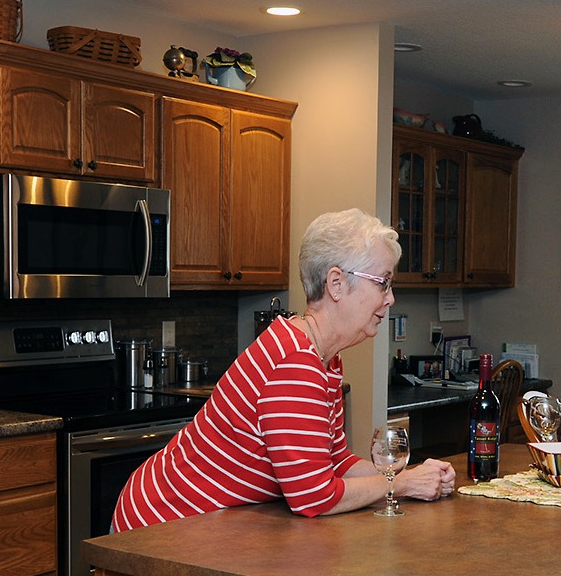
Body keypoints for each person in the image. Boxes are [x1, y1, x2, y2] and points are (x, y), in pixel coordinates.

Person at [113, 208, 455, 530]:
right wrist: (403, 484)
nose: (390, 297)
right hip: (159, 523)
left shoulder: (325, 359)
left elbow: (335, 462)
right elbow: (314, 497)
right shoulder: (294, 361)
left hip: (203, 523)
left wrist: (406, 476)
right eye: (383, 282)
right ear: (336, 284)